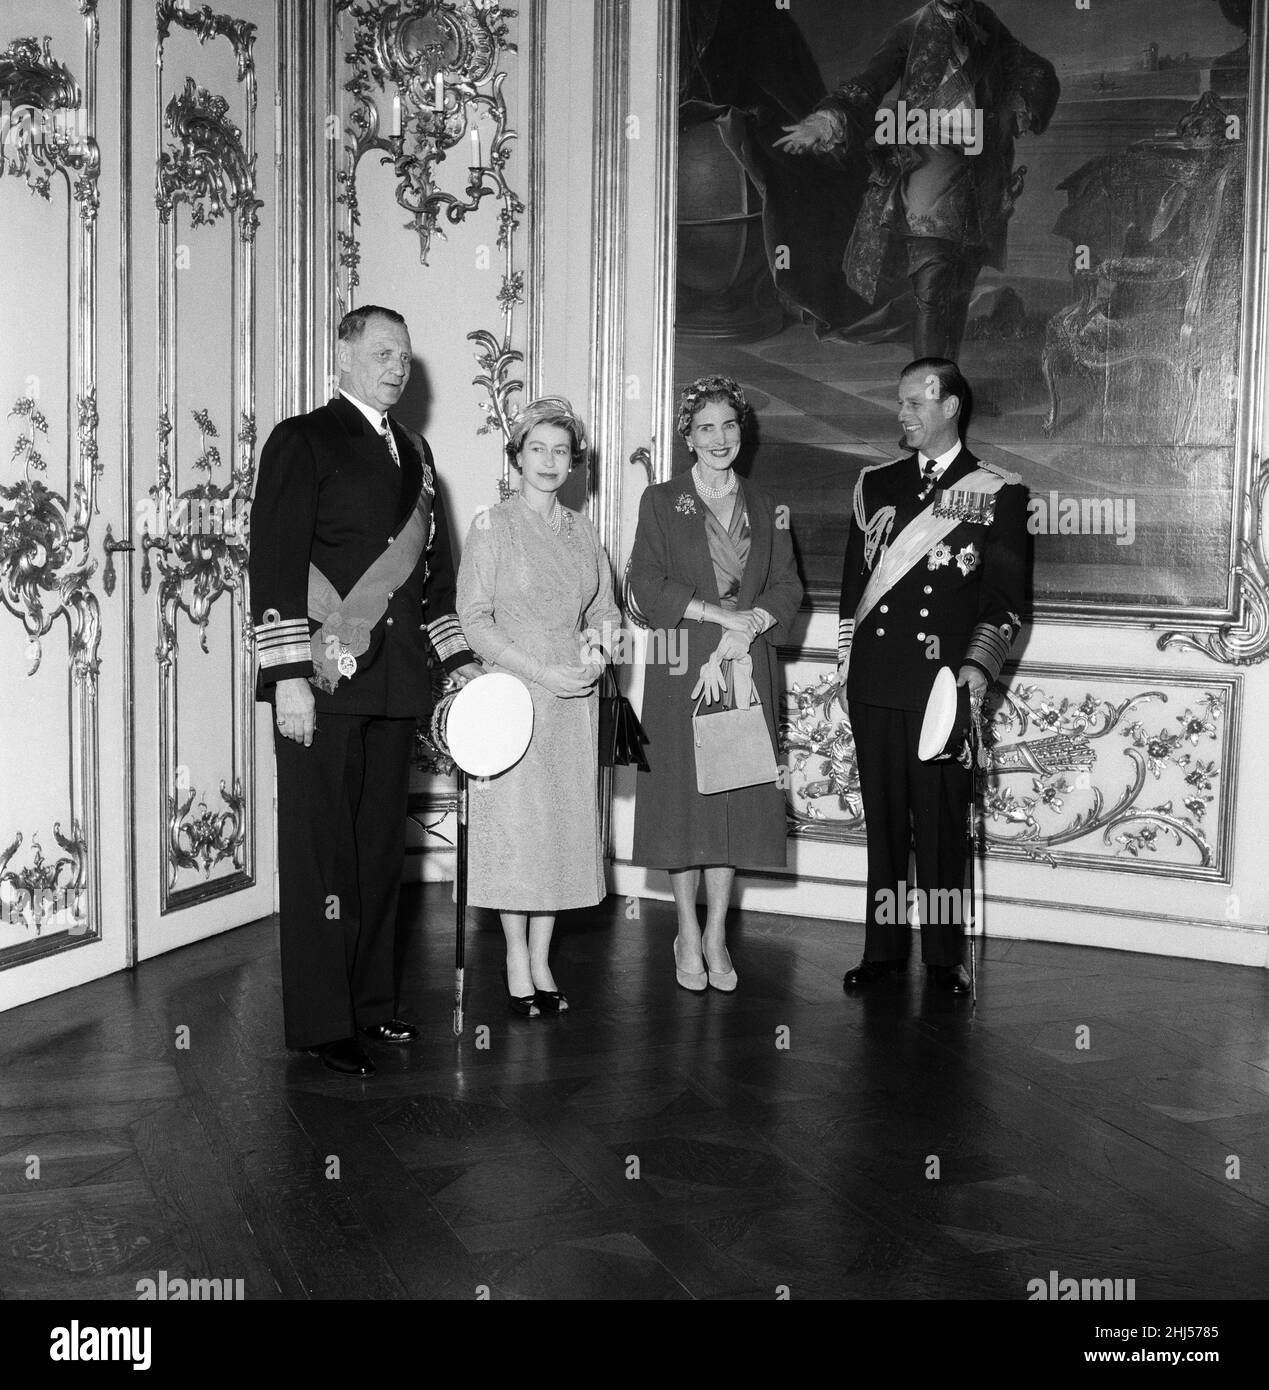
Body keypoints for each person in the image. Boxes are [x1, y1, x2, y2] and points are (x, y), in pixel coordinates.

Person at [249, 305, 481, 1076]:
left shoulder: (416, 453)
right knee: (322, 857)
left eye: (405, 357)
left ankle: (372, 1006)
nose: (395, 367)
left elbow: (433, 584)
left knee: (380, 851)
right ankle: (322, 1021)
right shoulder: (302, 438)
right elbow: (275, 568)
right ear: (342, 352)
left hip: (396, 686)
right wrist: (287, 681)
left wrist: (460, 667)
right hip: (322, 678)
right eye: (381, 351)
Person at [837, 357, 1027, 994]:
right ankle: (883, 950)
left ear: (950, 407)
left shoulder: (997, 493)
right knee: (884, 823)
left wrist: (975, 673)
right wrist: (847, 666)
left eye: (914, 404)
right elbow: (853, 591)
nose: (902, 415)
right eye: (900, 403)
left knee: (942, 828)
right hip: (877, 681)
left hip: (945, 691)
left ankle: (945, 957)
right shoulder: (877, 484)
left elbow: (1005, 604)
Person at [628, 376, 803, 992]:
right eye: (707, 427)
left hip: (744, 664)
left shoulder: (765, 504)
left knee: (730, 802)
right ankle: (683, 929)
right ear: (687, 436)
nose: (721, 438)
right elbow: (644, 587)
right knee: (683, 803)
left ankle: (717, 933)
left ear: (742, 431)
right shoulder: (661, 500)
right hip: (683, 665)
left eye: (731, 425)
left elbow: (788, 587)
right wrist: (716, 614)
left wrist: (752, 620)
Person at [775, 0, 1059, 359]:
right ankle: (928, 391)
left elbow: (1033, 67)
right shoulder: (909, 29)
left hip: (981, 177)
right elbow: (869, 84)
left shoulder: (983, 19)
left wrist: (1019, 105)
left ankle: (946, 384)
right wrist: (827, 120)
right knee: (932, 289)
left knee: (959, 290)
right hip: (929, 172)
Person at [456, 397, 620, 1017]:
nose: (550, 462)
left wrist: (599, 650)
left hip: (574, 695)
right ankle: (513, 958)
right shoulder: (491, 526)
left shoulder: (582, 530)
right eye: (537, 450)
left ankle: (543, 958)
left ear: (574, 461)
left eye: (561, 451)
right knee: (517, 831)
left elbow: (605, 609)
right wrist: (537, 671)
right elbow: (474, 619)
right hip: (513, 692)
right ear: (516, 457)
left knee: (560, 829)